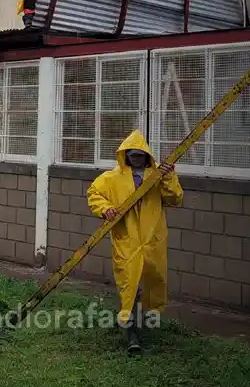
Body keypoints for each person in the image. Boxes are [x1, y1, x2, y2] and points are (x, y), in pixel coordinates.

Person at [86, 129, 184, 353]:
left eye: (139, 154)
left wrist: (168, 176)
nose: (135, 158)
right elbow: (94, 193)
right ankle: (132, 336)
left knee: (152, 282)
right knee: (129, 286)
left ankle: (145, 324)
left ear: (146, 155)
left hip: (152, 240)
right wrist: (106, 209)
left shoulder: (158, 176)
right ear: (125, 155)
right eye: (131, 154)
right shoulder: (113, 178)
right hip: (127, 241)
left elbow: (176, 198)